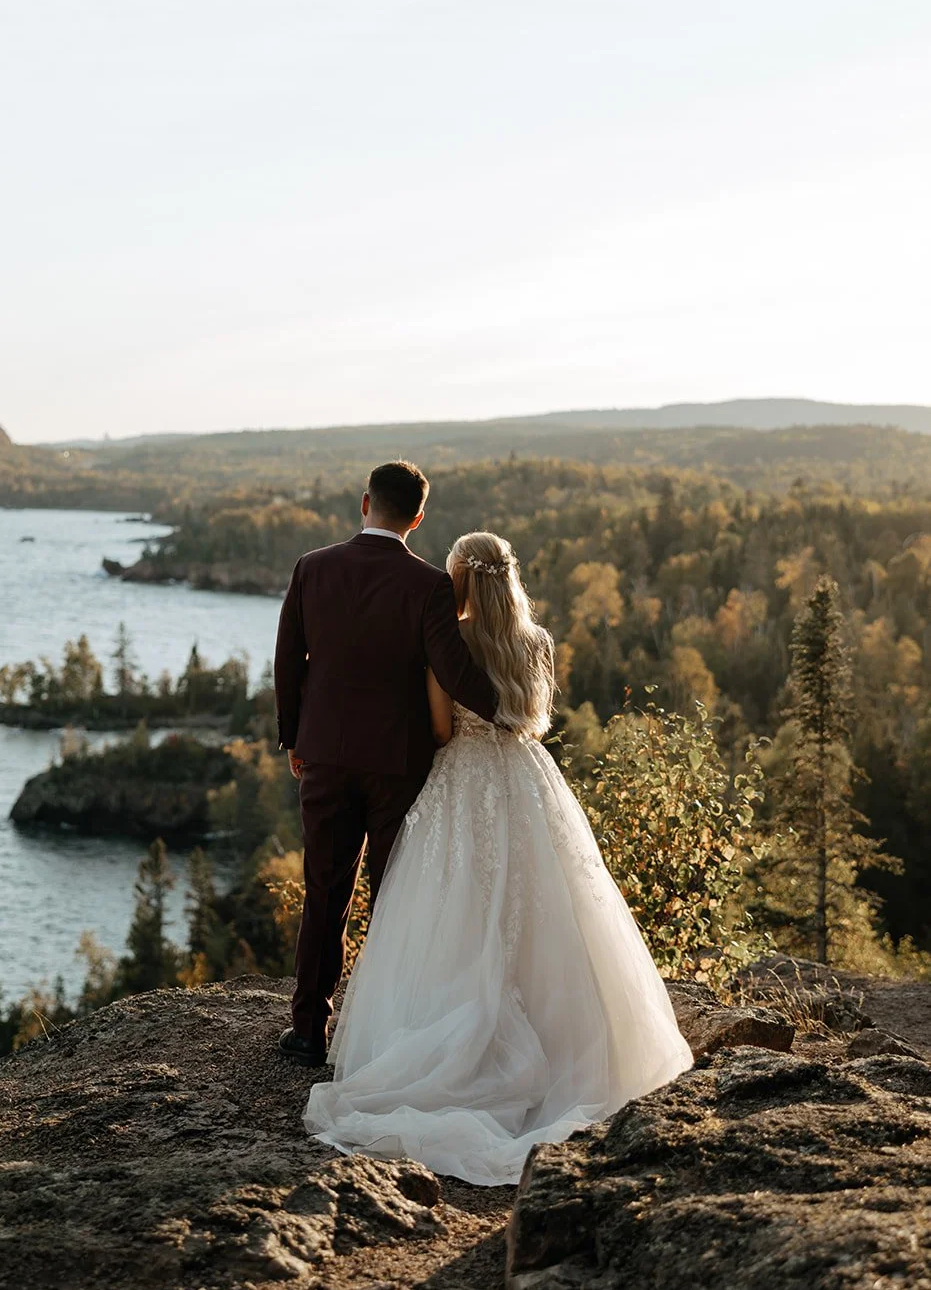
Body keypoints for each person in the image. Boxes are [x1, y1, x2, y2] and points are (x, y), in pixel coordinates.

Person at [303, 530, 693, 1186]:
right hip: (526, 775)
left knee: (455, 904)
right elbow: (536, 715)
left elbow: (438, 730)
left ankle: (457, 1042)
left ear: (459, 578)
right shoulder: (535, 642)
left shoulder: (446, 641)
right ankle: (565, 1044)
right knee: (551, 904)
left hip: (462, 779)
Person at [273, 460, 497, 1067]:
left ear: (364, 503)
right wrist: (507, 710)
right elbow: (452, 672)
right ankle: (387, 1032)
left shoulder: (312, 567)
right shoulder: (429, 587)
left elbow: (289, 661)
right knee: (394, 893)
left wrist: (295, 737)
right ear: (418, 519)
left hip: (324, 752)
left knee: (325, 890)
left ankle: (308, 1031)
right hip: (399, 762)